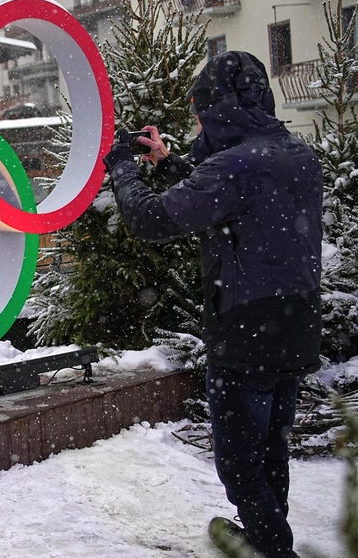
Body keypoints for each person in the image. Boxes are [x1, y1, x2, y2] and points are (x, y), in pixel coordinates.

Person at [102, 50, 322, 558]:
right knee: (271, 447)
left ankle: (274, 549)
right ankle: (265, 537)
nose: (199, 122)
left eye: (201, 112)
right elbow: (239, 191)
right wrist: (168, 163)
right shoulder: (295, 153)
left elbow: (152, 220)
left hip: (247, 329)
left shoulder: (233, 166)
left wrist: (123, 169)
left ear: (220, 109)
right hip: (297, 322)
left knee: (240, 462)